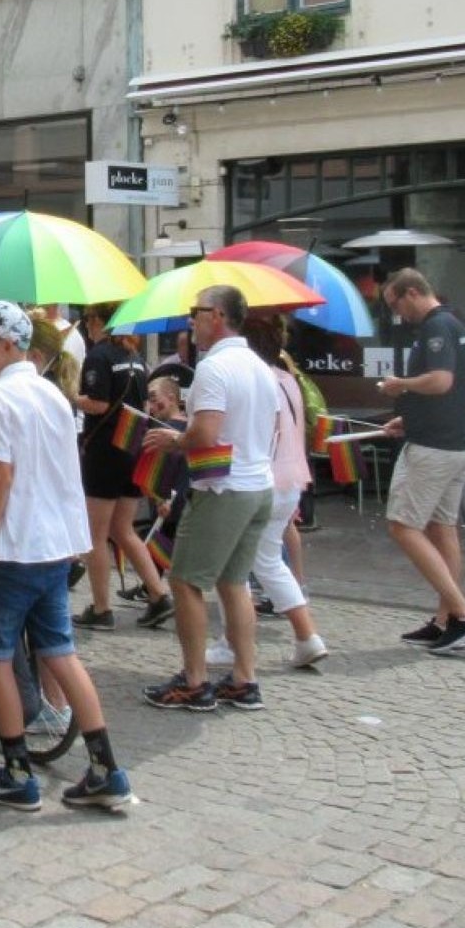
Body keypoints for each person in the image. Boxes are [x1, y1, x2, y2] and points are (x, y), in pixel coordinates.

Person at [0, 301, 132, 812]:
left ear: (10, 344)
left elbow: (0, 476)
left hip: (13, 549)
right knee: (61, 653)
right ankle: (105, 768)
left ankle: (17, 772)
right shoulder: (53, 395)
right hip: (55, 546)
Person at [142, 284, 279, 712]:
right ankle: (243, 678)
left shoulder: (215, 368)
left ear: (216, 315)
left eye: (195, 311)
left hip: (223, 487)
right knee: (234, 582)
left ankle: (196, 681)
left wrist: (173, 439)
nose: (191, 320)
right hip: (258, 483)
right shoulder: (259, 365)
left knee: (184, 581)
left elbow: (206, 432)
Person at [376, 268, 465, 653]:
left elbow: (441, 382)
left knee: (402, 526)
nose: (398, 314)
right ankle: (448, 620)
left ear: (411, 292)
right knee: (443, 528)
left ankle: (463, 612)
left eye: (396, 304)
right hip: (454, 443)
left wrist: (400, 385)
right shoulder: (456, 324)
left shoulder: (434, 327)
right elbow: (458, 391)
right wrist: (409, 417)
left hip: (433, 449)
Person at [73, 303, 173, 632]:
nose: (87, 325)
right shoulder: (137, 360)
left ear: (102, 321)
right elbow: (144, 406)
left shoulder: (99, 355)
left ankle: (101, 609)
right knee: (123, 529)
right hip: (131, 448)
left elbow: (98, 403)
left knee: (96, 536)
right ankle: (158, 595)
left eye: (89, 319)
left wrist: (71, 397)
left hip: (104, 453)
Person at [238, 315, 328, 669]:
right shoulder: (288, 378)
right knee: (268, 561)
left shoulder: (257, 380)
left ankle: (234, 642)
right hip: (290, 479)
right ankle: (308, 636)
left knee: (236, 566)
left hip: (262, 481)